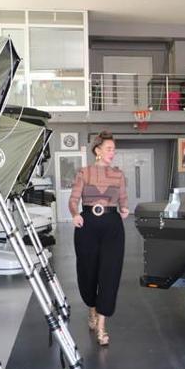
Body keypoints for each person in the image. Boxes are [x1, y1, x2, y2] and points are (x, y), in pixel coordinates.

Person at [69, 130, 129, 346]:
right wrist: (74, 214)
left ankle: (102, 326)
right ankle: (92, 308)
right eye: (109, 149)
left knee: (109, 274)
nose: (112, 152)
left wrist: (125, 209)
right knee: (88, 272)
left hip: (112, 227)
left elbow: (123, 199)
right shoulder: (84, 173)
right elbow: (73, 200)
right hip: (87, 226)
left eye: (114, 149)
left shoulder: (119, 175)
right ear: (98, 150)